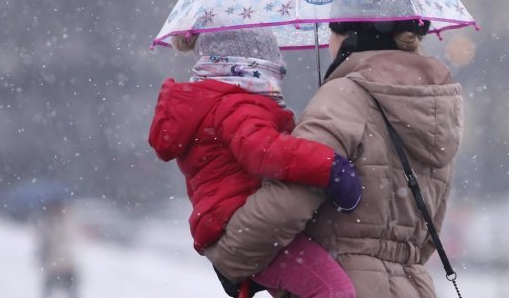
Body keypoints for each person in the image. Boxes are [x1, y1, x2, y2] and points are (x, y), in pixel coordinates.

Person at [204, 20, 464, 298]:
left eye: (331, 31)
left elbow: (291, 197)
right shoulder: (438, 107)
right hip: (414, 287)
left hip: (341, 284)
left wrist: (234, 256)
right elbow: (428, 232)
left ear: (350, 37)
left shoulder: (345, 96)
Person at [148, 28, 362, 298]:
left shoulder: (208, 103)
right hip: (251, 228)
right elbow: (266, 151)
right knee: (334, 290)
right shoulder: (234, 105)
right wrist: (330, 167)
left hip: (230, 229)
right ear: (254, 66)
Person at [36, 201, 79, 298]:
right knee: (48, 291)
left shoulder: (65, 222)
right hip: (54, 264)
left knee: (71, 292)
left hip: (65, 264)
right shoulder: (50, 223)